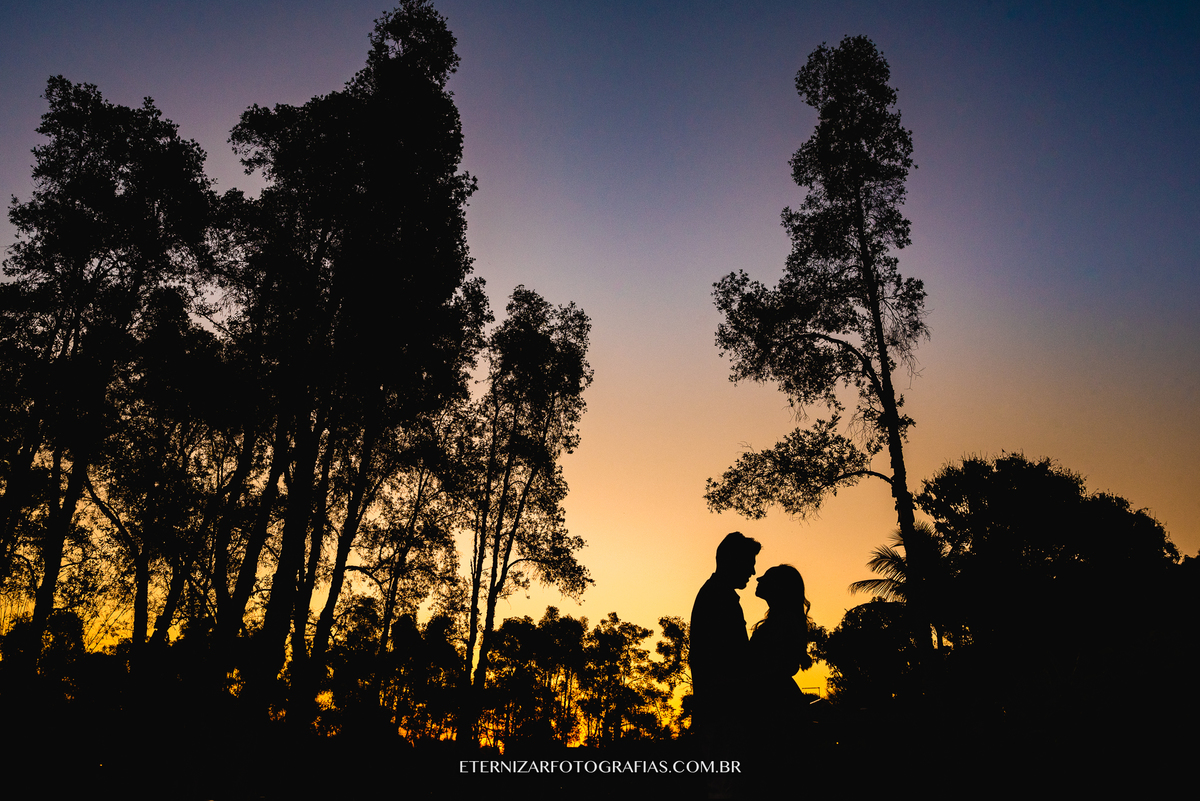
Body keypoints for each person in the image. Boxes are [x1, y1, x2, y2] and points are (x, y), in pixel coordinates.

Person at [690, 532, 760, 795]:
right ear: (732, 560)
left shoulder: (717, 595)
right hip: (722, 712)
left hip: (719, 711)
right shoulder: (719, 598)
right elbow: (728, 660)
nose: (753, 571)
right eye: (749, 562)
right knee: (723, 788)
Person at [748, 564, 812, 759]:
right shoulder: (782, 620)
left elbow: (782, 666)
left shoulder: (783, 623)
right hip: (778, 702)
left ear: (779, 587)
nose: (758, 580)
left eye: (766, 577)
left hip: (776, 708)